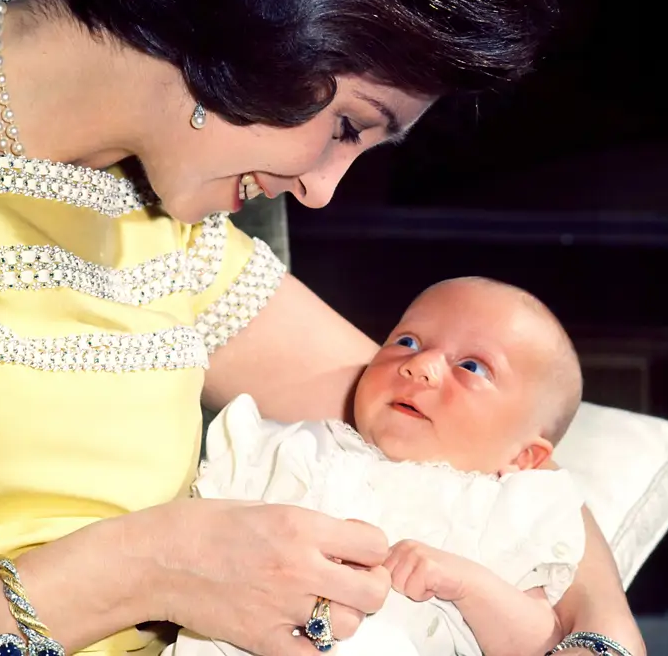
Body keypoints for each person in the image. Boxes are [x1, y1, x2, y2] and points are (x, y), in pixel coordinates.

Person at [0, 0, 644, 655]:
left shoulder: (173, 233)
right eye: (348, 124)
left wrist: (599, 629)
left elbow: (485, 452)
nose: (320, 190)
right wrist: (132, 574)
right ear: (247, 3)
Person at [175, 277, 587, 656]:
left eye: (471, 367)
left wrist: (466, 584)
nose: (419, 366)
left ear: (523, 457)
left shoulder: (502, 511)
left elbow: (538, 642)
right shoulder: (292, 449)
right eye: (407, 341)